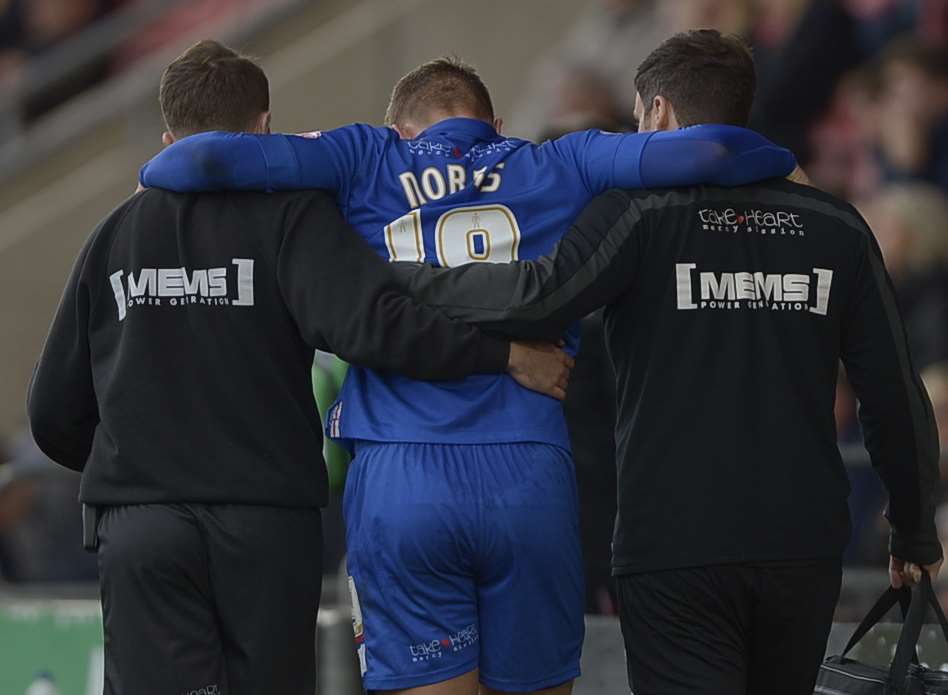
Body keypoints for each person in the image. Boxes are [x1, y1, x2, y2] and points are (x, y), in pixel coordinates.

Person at [139, 55, 797, 695]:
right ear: (497, 126)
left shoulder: (366, 153)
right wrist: (780, 161)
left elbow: (206, 157)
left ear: (400, 126)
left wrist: (154, 166)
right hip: (527, 471)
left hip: (403, 473)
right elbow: (709, 153)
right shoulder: (555, 159)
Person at [392, 30, 944, 695]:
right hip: (801, 545)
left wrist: (407, 278)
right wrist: (913, 530)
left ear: (657, 114)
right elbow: (892, 390)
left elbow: (536, 300)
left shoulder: (637, 213)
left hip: (674, 545)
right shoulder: (835, 224)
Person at [26, 41, 570, 695]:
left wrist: (138, 467)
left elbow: (52, 412)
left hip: (143, 525)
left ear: (169, 138)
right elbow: (377, 329)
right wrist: (502, 355)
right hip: (265, 520)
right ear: (263, 129)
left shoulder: (114, 233)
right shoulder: (292, 218)